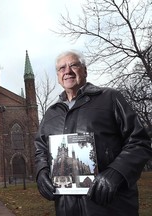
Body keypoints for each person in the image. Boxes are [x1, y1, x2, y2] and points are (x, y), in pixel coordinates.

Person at [34, 50, 152, 216]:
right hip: (67, 208)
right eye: (62, 68)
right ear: (58, 75)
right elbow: (40, 150)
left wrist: (116, 172)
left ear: (85, 70)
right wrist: (41, 172)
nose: (67, 71)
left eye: (73, 65)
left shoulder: (110, 98)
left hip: (111, 205)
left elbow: (140, 141)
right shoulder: (51, 113)